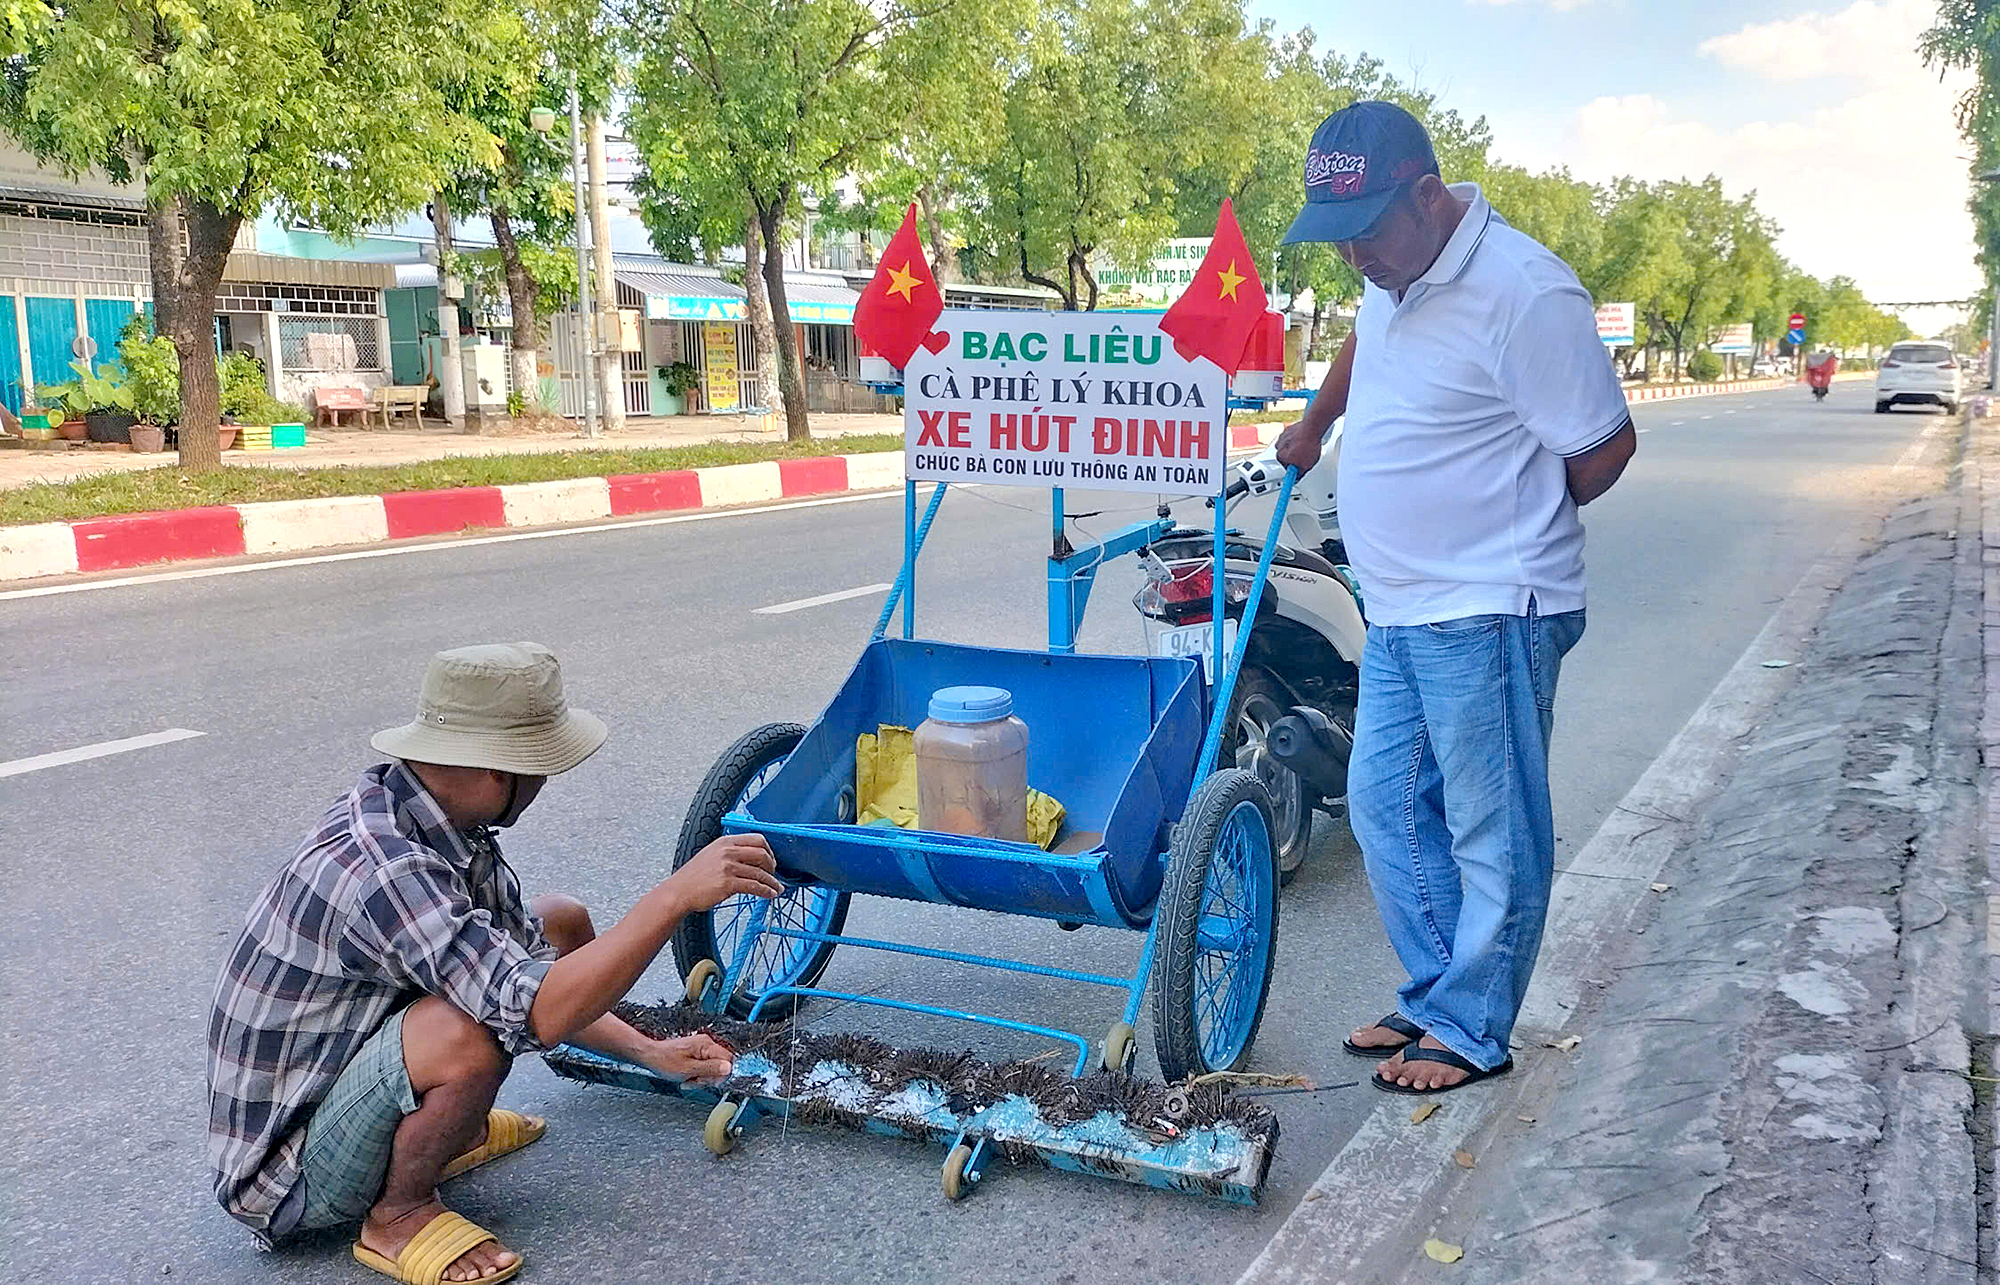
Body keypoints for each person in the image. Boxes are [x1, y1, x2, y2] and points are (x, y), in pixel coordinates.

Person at [207, 643, 784, 1284]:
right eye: (539, 768)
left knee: (557, 920)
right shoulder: (387, 867)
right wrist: (672, 897)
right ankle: (397, 1212)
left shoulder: (427, 814)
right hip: (284, 1174)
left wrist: (651, 1052)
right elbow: (535, 1010)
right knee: (471, 1036)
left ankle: (446, 1128)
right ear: (492, 771)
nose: (544, 784)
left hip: (332, 1083)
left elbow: (529, 971)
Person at [1273, 102, 1636, 1096]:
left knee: (1489, 827)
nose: (1354, 256)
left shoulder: (1522, 291)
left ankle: (1472, 1025)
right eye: (1338, 237)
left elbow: (1602, 447)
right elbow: (1363, 342)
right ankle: (1440, 990)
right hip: (1395, 604)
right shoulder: (1394, 273)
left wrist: (1504, 519)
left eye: (1368, 231)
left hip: (1487, 607)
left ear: (1427, 196)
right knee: (1385, 809)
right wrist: (1312, 424)